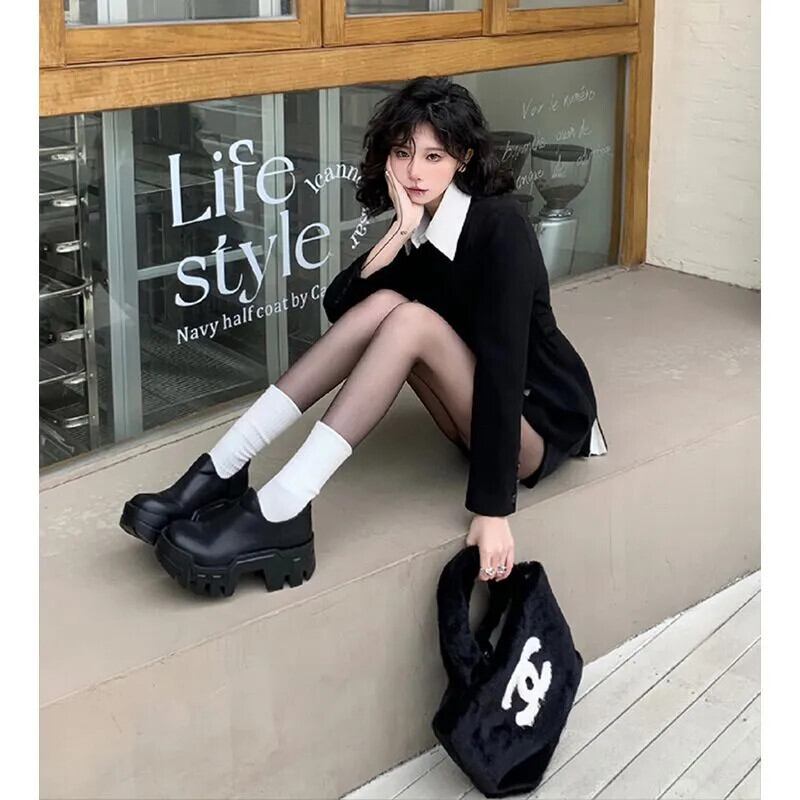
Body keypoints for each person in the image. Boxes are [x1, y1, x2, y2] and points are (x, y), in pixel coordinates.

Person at [119, 75, 608, 598]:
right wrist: (399, 232)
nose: (414, 172)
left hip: (533, 426)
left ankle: (283, 506)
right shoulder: (422, 223)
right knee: (387, 304)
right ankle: (224, 465)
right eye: (402, 153)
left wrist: (492, 511)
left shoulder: (501, 226)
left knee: (410, 319)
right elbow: (343, 309)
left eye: (434, 157)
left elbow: (504, 367)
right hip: (472, 417)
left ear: (463, 159)